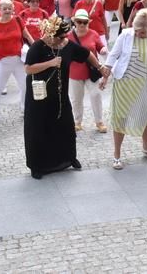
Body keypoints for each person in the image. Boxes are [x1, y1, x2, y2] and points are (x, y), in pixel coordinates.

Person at [24, 15, 108, 179]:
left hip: (60, 96)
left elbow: (86, 54)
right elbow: (28, 69)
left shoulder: (67, 45)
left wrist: (99, 66)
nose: (64, 40)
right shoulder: (38, 47)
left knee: (65, 127)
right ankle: (37, 165)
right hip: (39, 97)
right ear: (51, 35)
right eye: (61, 37)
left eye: (65, 36)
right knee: (38, 129)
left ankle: (69, 158)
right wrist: (50, 63)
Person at [101, 9, 147, 170]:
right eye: (137, 31)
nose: (139, 34)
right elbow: (113, 55)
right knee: (120, 117)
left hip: (144, 83)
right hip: (124, 83)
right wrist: (105, 76)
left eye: (142, 32)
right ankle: (117, 155)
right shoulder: (125, 35)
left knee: (145, 117)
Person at [0, 0, 34, 124]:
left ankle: (24, 109)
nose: (7, 11)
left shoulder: (17, 20)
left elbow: (27, 35)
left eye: (9, 8)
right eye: (4, 9)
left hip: (18, 59)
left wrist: (35, 47)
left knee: (25, 86)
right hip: (2, 61)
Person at [67, 9, 108, 133]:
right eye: (79, 22)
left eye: (85, 22)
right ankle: (77, 121)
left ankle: (99, 121)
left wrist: (103, 50)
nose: (82, 24)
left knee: (96, 95)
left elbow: (100, 47)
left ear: (88, 22)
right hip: (74, 72)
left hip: (91, 71)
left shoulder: (93, 34)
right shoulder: (68, 36)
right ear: (75, 22)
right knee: (76, 98)